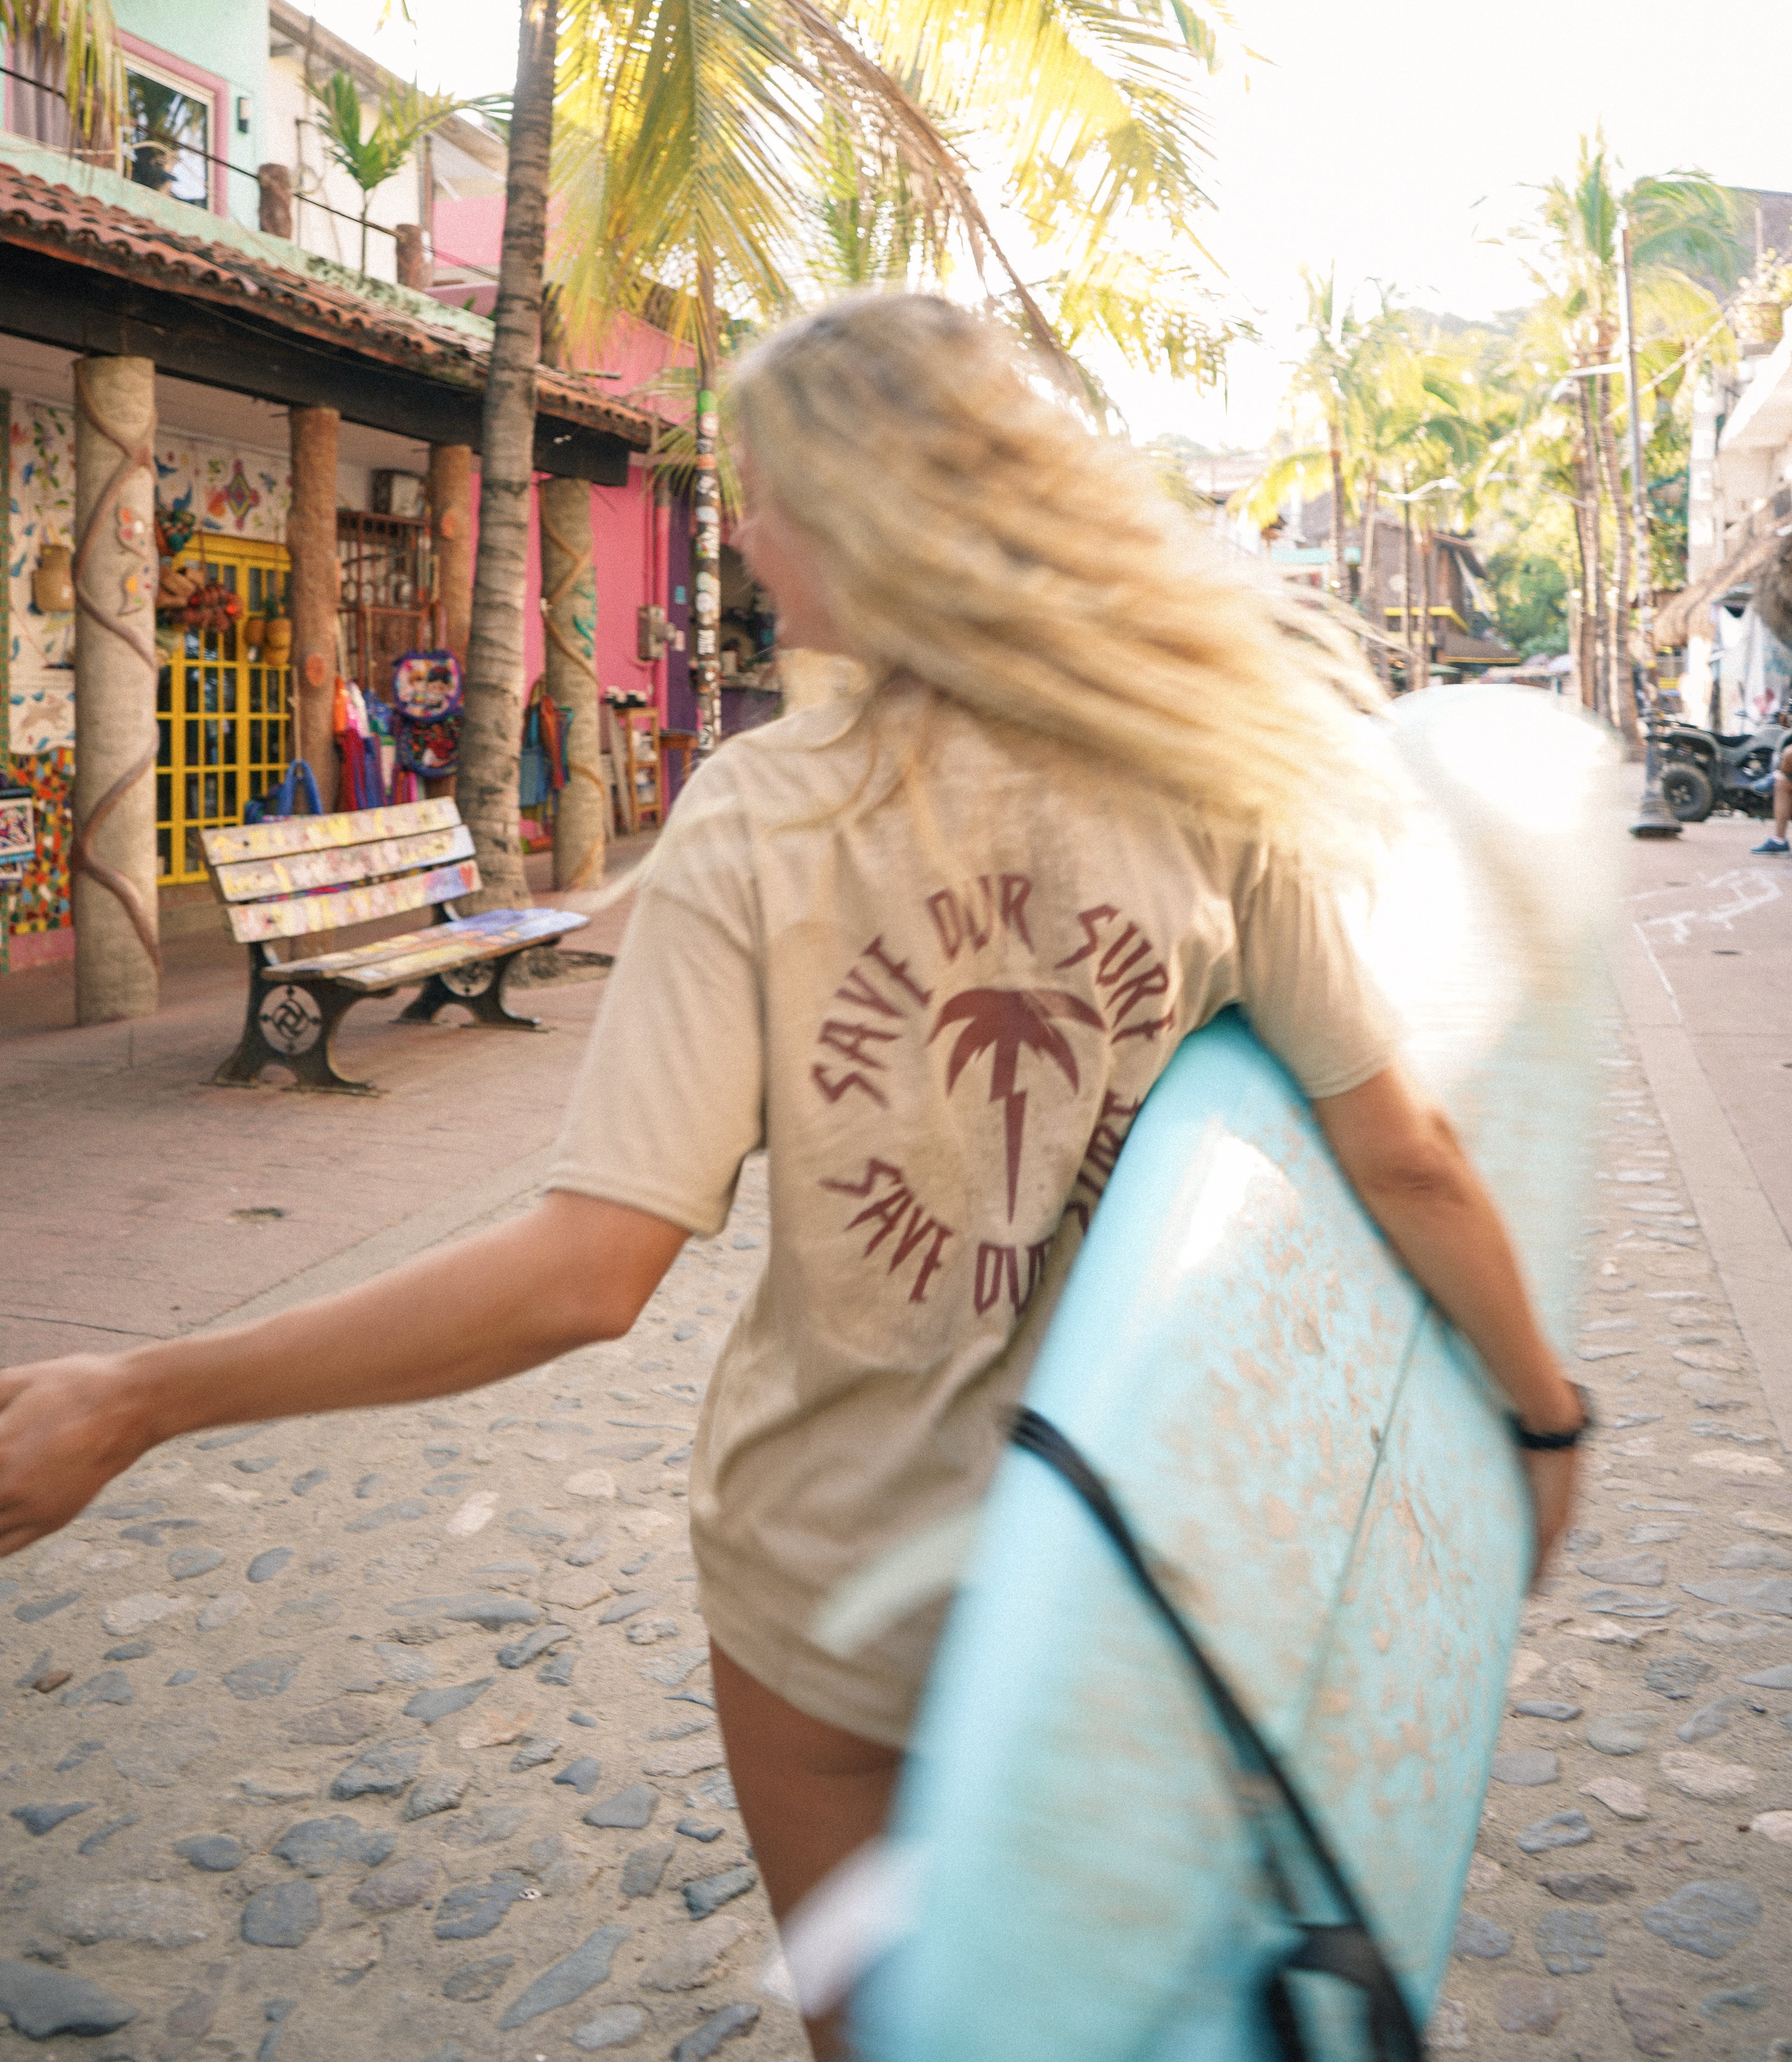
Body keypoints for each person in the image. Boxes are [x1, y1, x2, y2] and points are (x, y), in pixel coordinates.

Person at [0, 297, 1586, 2057]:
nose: (742, 532)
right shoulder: (1213, 785)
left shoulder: (762, 820)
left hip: (827, 1587)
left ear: (857, 515)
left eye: (761, 493)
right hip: (1128, 1586)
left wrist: (147, 1392)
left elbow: (583, 1276)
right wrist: (1539, 1420)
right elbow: (1406, 1161)